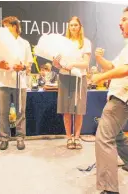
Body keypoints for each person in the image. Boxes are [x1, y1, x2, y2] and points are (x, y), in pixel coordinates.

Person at [92, 6, 128, 194]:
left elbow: (127, 69)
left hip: (123, 97)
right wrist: (99, 58)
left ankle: (109, 189)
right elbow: (113, 66)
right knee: (114, 133)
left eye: (125, 19)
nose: (120, 23)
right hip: (124, 96)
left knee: (104, 137)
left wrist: (99, 78)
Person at [0, 16, 33, 150]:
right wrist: (1, 65)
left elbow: (29, 64)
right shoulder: (0, 43)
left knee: (21, 112)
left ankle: (20, 138)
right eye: (3, 26)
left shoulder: (24, 43)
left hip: (20, 83)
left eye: (6, 26)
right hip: (3, 82)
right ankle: (4, 138)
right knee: (3, 113)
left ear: (15, 27)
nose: (4, 29)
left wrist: (22, 67)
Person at [53, 16, 91, 149]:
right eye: (71, 25)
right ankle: (69, 137)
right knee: (66, 109)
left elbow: (86, 64)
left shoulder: (85, 42)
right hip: (64, 77)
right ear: (68, 27)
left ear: (80, 27)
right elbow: (58, 65)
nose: (73, 27)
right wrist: (56, 63)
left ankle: (77, 137)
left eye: (75, 25)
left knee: (78, 109)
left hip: (80, 78)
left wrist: (74, 64)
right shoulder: (63, 43)